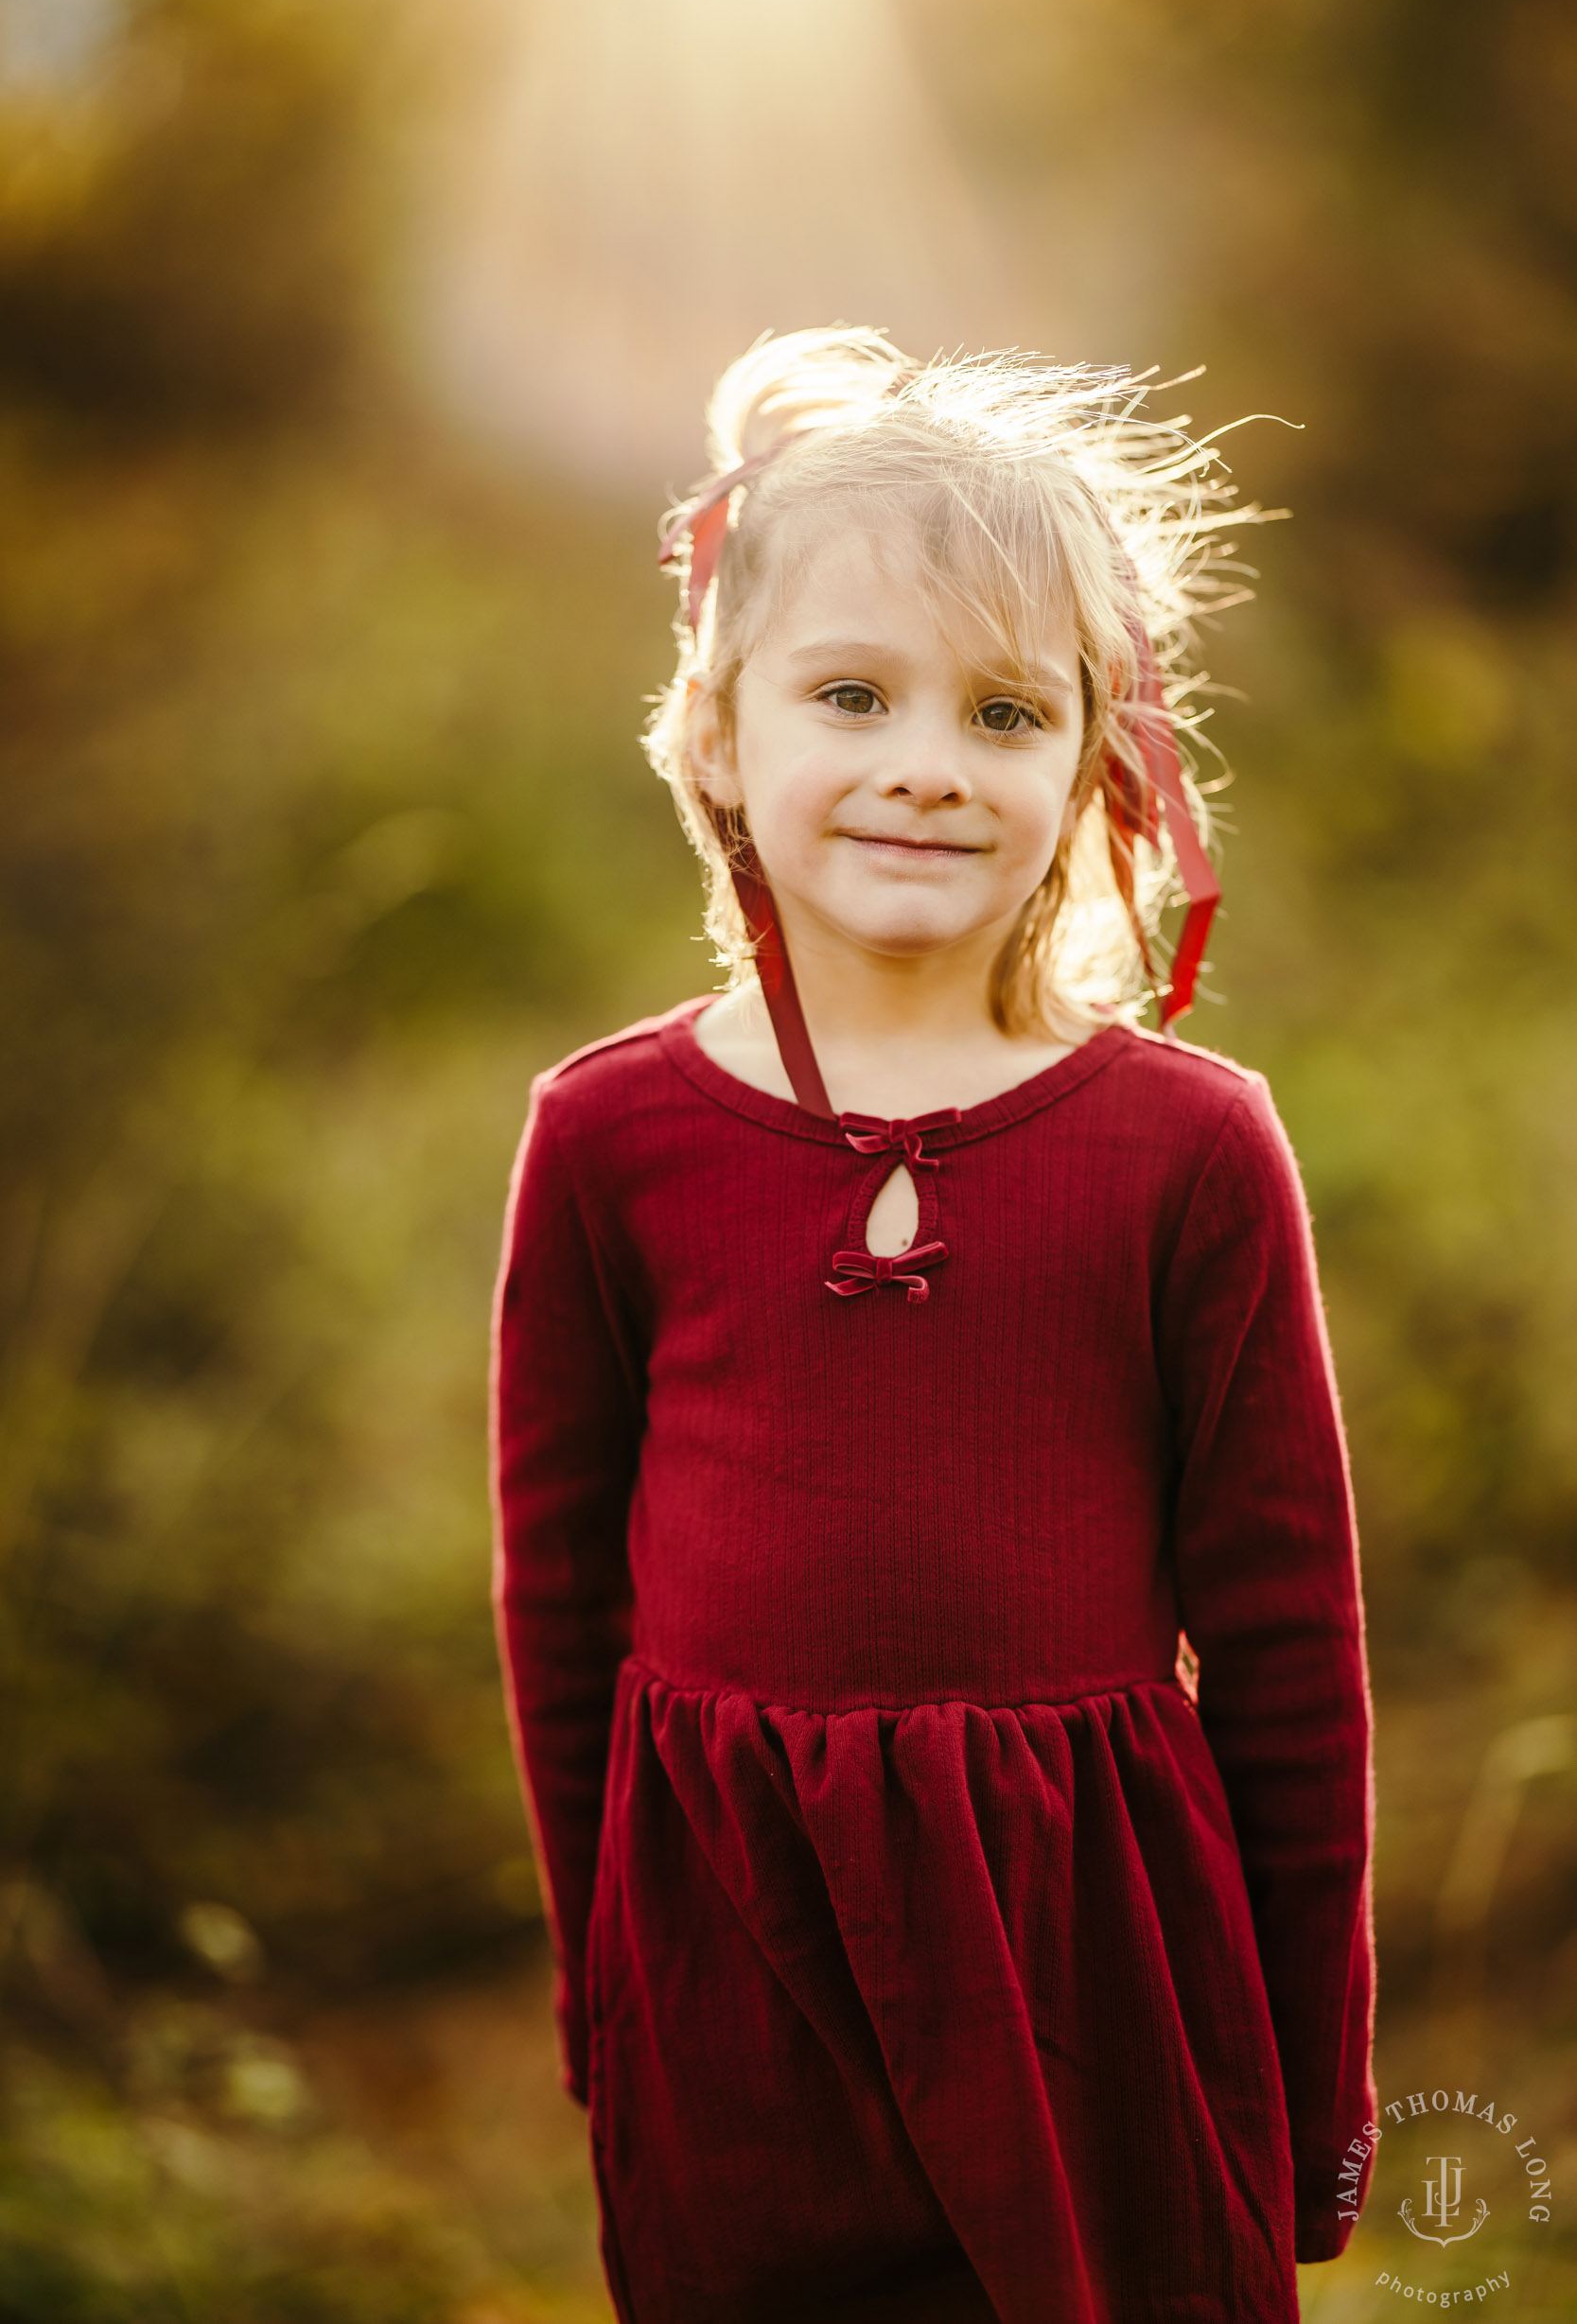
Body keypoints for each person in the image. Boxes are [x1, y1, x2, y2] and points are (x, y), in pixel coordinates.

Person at [490, 327, 1376, 2324]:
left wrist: (1314, 2088)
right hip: (741, 1965)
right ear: (718, 730)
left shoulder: (1187, 1149)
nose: (921, 759)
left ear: (1095, 759)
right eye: (850, 692)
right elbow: (562, 1606)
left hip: (1102, 1969)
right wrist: (607, 1999)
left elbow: (1292, 1650)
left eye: (1000, 708)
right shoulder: (613, 1135)